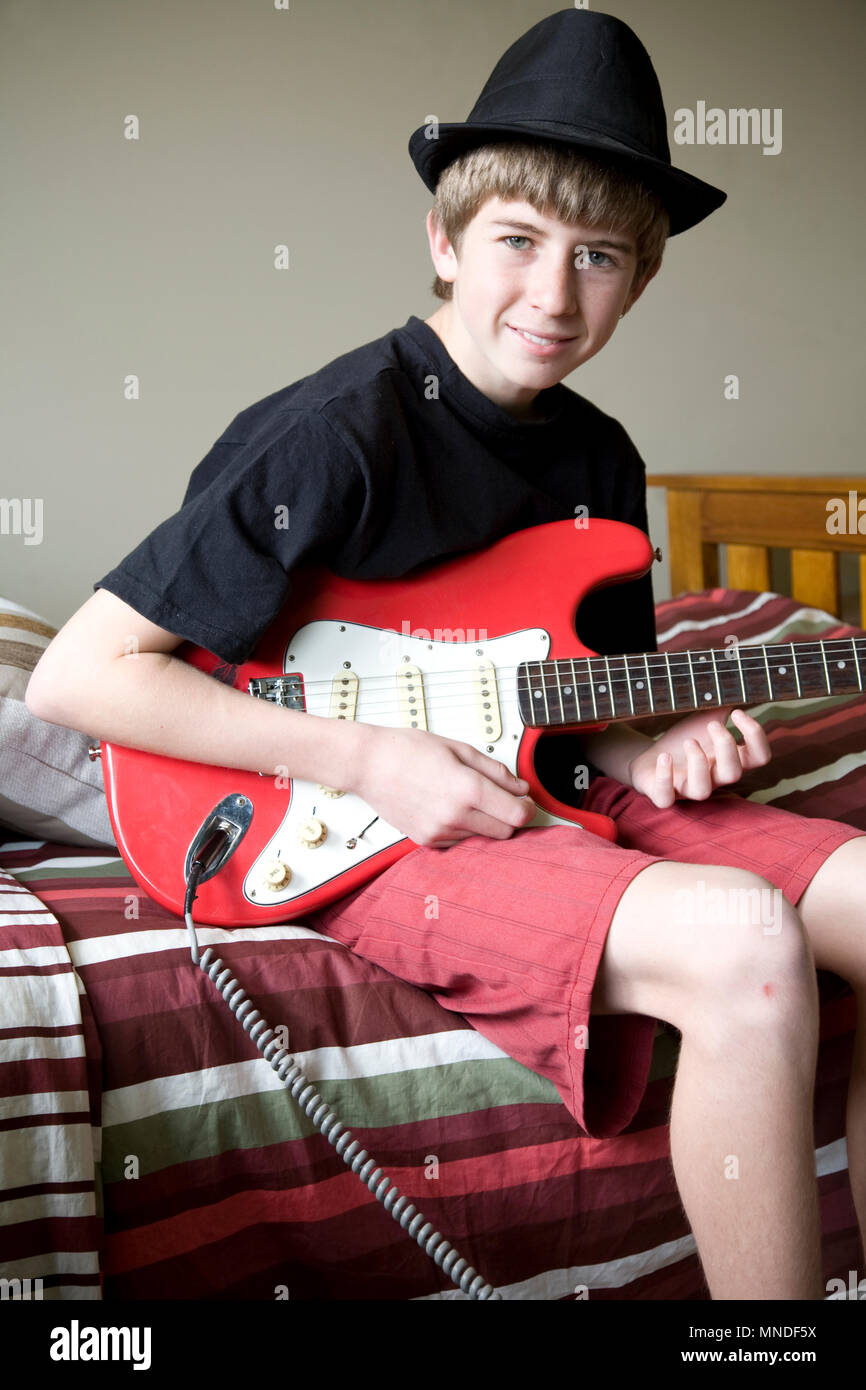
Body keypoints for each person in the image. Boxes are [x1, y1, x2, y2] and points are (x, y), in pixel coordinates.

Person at [25, 10, 866, 1300]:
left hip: (532, 776)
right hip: (347, 817)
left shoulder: (601, 457)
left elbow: (580, 714)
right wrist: (370, 758)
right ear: (444, 241)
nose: (554, 295)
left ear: (640, 282)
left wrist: (659, 749)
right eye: (518, 240)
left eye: (598, 258)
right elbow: (80, 675)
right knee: (744, 941)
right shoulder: (333, 432)